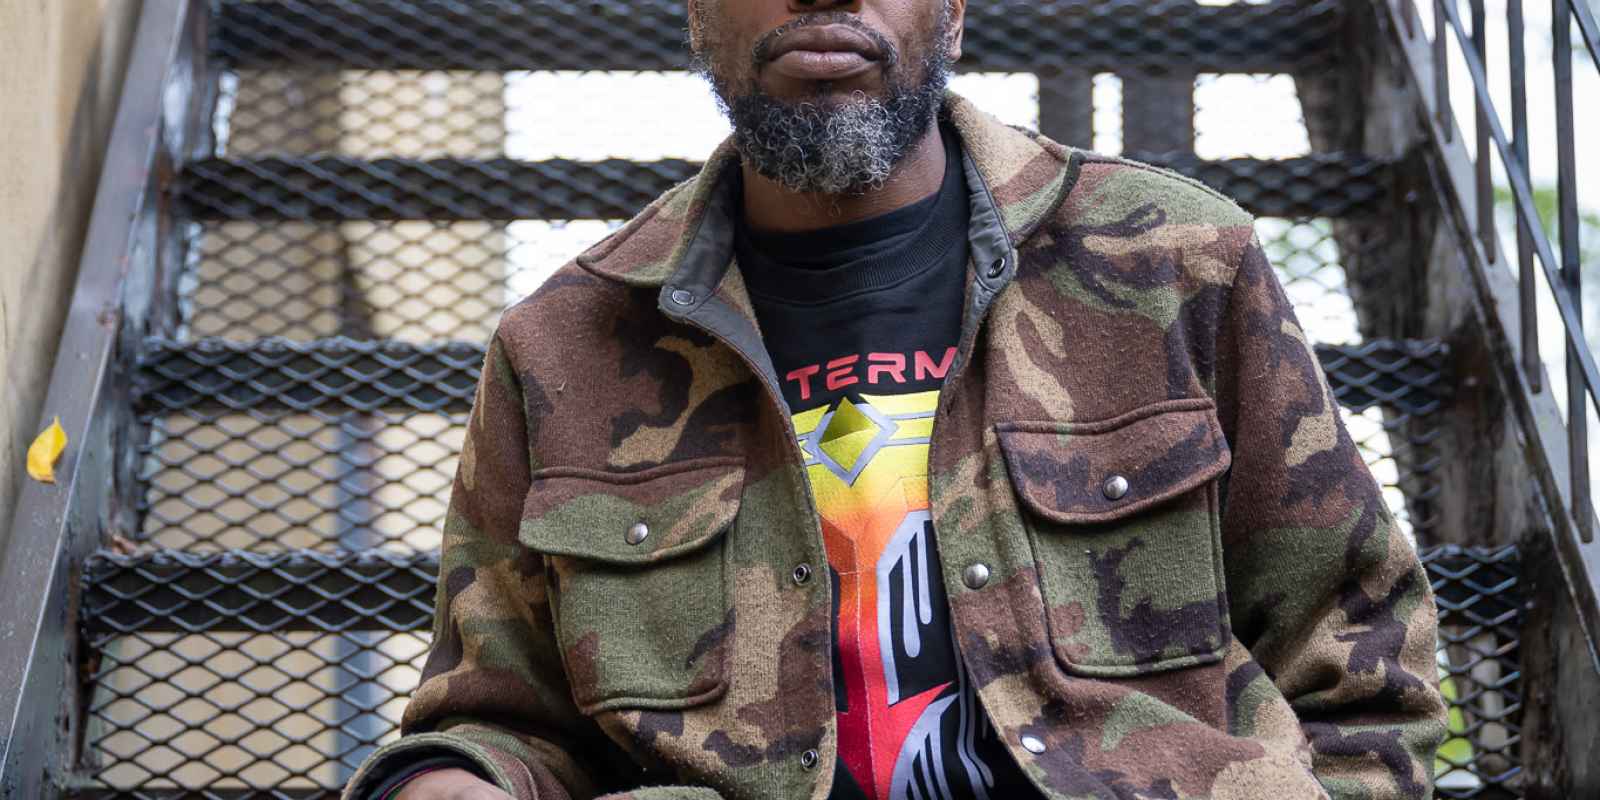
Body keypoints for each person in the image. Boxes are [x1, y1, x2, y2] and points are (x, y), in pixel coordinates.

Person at [343, 1, 1449, 798]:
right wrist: (451, 782)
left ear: (955, 12)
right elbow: (500, 714)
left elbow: (1355, 654)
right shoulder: (565, 345)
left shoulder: (1171, 263)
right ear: (694, 14)